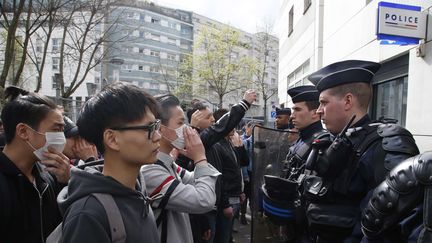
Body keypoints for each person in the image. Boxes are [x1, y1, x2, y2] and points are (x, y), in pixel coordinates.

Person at [302, 60, 419, 242]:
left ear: (348, 101)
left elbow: (389, 225)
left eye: (323, 103)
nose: (318, 111)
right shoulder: (328, 140)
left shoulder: (385, 143)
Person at [57, 82, 160, 242]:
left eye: (156, 126)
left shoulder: (138, 192)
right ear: (112, 139)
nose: (157, 136)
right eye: (148, 129)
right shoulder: (88, 215)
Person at [140, 94, 221, 243]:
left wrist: (196, 158)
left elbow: (193, 179)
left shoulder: (169, 164)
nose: (185, 129)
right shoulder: (150, 170)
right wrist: (200, 158)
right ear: (160, 128)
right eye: (180, 123)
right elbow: (203, 200)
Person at [0, 86, 70, 243]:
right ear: (23, 131)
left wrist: (67, 182)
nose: (61, 137)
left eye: (62, 130)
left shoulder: (48, 178)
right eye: (56, 129)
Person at [187, 90, 257, 243]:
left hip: (217, 204)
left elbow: (221, 175)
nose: (213, 120)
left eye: (213, 116)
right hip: (208, 208)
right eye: (208, 117)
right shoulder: (201, 141)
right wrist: (244, 104)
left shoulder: (214, 143)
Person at [211, 108, 249, 243]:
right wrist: (225, 204)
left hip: (235, 195)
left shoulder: (229, 142)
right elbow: (219, 177)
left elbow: (243, 163)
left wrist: (240, 192)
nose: (235, 126)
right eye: (231, 122)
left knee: (227, 234)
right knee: (223, 235)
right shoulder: (216, 145)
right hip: (226, 200)